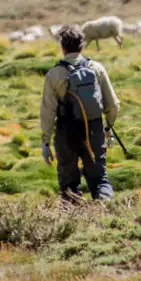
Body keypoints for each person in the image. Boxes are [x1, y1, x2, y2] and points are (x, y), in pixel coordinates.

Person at [40, 24, 120, 201]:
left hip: (65, 132)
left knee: (69, 185)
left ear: (62, 47)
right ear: (82, 45)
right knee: (99, 179)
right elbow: (113, 105)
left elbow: (48, 111)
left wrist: (45, 142)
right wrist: (107, 130)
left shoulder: (54, 74)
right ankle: (106, 216)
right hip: (94, 128)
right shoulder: (97, 68)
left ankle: (73, 223)